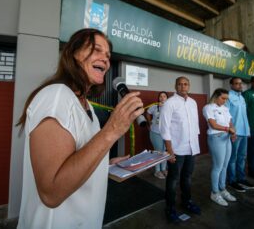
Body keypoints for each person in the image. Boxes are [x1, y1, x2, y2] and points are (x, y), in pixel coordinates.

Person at [16, 28, 144, 229]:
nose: (106, 59)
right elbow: (51, 193)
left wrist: (107, 164)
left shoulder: (88, 107)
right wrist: (112, 130)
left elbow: (78, 157)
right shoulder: (56, 96)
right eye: (97, 49)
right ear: (73, 53)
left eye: (108, 55)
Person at [160, 76, 201, 223]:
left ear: (189, 86)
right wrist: (170, 151)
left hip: (191, 148)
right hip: (176, 149)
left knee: (187, 178)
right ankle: (170, 208)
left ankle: (186, 202)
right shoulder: (169, 103)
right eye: (180, 84)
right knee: (173, 180)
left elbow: (194, 126)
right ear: (175, 86)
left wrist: (195, 146)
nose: (183, 87)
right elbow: (164, 129)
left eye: (186, 84)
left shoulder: (193, 103)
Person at [203, 88, 237, 206]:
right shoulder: (208, 107)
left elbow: (230, 122)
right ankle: (214, 192)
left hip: (227, 138)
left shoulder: (225, 108)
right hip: (216, 138)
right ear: (216, 96)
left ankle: (223, 189)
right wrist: (228, 129)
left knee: (225, 166)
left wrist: (233, 132)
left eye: (226, 99)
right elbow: (213, 125)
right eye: (223, 98)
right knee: (218, 167)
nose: (225, 101)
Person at [226, 77, 254, 192]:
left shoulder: (242, 98)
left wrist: (247, 131)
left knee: (242, 157)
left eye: (240, 84)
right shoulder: (228, 97)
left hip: (244, 132)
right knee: (233, 158)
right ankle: (232, 181)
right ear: (231, 85)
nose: (240, 86)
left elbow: (244, 116)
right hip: (235, 132)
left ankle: (241, 179)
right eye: (237, 84)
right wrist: (232, 130)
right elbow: (227, 115)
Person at [145, 91, 169, 179]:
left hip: (166, 133)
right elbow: (147, 113)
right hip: (156, 132)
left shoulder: (169, 107)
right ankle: (157, 171)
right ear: (158, 98)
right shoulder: (155, 107)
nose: (162, 98)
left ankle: (163, 169)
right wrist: (149, 122)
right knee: (158, 151)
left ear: (167, 98)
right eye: (161, 96)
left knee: (165, 151)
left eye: (164, 96)